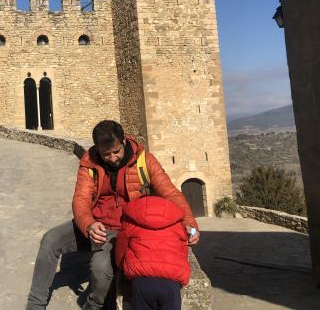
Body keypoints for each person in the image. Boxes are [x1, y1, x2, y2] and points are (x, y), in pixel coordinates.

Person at [25, 120, 199, 310]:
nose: (112, 158)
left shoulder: (144, 161)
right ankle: (35, 305)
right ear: (97, 148)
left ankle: (94, 304)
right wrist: (89, 224)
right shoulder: (89, 163)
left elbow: (171, 193)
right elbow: (81, 200)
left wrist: (189, 222)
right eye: (106, 154)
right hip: (97, 225)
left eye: (116, 151)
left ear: (124, 141)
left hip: (126, 231)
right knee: (50, 239)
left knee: (100, 267)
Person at [114, 195, 191, 310]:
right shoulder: (176, 221)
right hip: (171, 284)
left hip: (141, 283)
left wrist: (121, 267)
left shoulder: (131, 220)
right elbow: (183, 248)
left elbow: (121, 246)